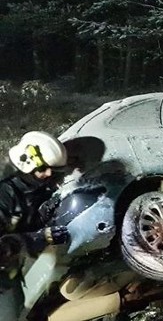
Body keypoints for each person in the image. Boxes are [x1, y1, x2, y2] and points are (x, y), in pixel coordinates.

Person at [0, 131, 70, 320]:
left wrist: (43, 217)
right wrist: (39, 238)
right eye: (45, 169)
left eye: (53, 170)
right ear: (26, 163)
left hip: (13, 270)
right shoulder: (4, 194)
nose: (49, 174)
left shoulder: (34, 187)